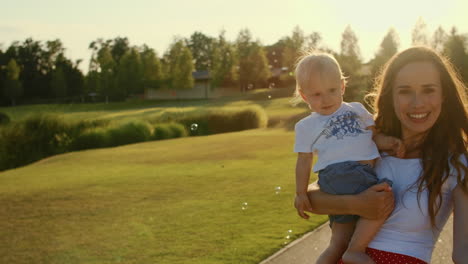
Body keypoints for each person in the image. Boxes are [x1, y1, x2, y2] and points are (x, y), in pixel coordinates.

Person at [303, 46, 468, 264]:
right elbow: (311, 198)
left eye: (428, 90)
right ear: (391, 96)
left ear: (444, 95)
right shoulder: (368, 143)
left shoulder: (456, 164)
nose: (417, 103)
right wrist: (357, 204)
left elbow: (463, 253)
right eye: (405, 91)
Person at [293, 52, 404, 264]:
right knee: (384, 195)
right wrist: (300, 193)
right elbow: (304, 160)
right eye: (316, 94)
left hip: (336, 182)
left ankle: (346, 250)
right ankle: (357, 249)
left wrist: (389, 142)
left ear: (342, 87)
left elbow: (374, 138)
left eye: (332, 90)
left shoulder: (357, 110)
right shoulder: (306, 125)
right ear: (304, 96)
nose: (325, 99)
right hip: (346, 174)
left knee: (337, 242)